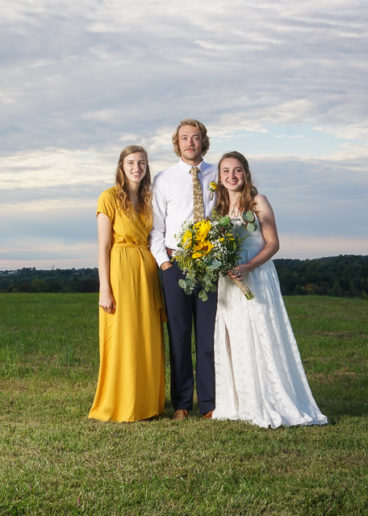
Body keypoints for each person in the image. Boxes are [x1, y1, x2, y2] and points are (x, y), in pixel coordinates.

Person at [212, 151, 328, 428]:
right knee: (237, 336)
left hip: (257, 276)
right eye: (226, 171)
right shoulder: (218, 209)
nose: (231, 176)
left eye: (237, 170)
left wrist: (248, 267)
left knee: (261, 332)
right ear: (219, 176)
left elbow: (273, 243)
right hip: (230, 282)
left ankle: (272, 398)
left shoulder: (258, 201)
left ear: (246, 173)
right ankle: (243, 402)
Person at [89, 145, 165, 423]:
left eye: (141, 162)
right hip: (120, 271)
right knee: (124, 336)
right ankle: (121, 401)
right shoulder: (108, 197)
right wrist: (104, 288)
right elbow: (103, 246)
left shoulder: (149, 198)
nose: (137, 167)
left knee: (147, 335)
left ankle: (147, 402)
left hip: (147, 271)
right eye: (131, 162)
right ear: (121, 166)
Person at [150, 119, 217, 420]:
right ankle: (181, 404)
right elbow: (156, 226)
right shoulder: (164, 179)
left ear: (204, 141)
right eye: (184, 138)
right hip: (175, 264)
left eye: (196, 137)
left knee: (207, 336)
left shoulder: (218, 174)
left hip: (210, 264)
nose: (190, 142)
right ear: (177, 144)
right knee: (179, 335)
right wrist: (164, 263)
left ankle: (209, 404)